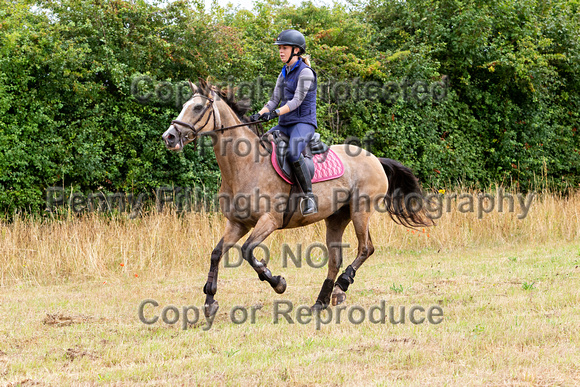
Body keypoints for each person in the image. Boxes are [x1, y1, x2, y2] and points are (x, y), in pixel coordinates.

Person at [250, 29, 318, 215]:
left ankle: (309, 197)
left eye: (284, 48)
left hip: (303, 123)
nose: (280, 51)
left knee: (294, 152)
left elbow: (296, 101)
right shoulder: (284, 73)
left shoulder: (306, 73)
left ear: (296, 50)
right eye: (279, 48)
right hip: (286, 123)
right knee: (261, 142)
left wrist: (275, 113)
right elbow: (273, 100)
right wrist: (259, 114)